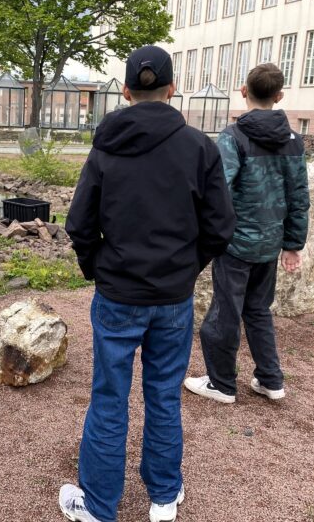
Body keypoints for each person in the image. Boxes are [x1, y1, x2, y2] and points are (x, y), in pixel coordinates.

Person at [59, 46, 235, 522]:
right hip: (172, 296)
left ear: (126, 91)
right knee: (163, 395)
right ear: (172, 89)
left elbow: (79, 224)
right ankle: (163, 496)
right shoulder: (200, 146)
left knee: (109, 398)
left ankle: (98, 506)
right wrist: (186, 267)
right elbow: (220, 228)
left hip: (119, 294)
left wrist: (97, 266)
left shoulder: (105, 147)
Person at [184, 63, 310, 405]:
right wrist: (293, 244)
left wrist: (206, 233)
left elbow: (218, 189)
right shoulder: (294, 141)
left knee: (225, 311)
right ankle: (270, 380)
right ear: (279, 96)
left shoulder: (234, 137)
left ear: (243, 91)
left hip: (236, 243)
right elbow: (299, 195)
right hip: (269, 245)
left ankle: (222, 383)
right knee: (258, 310)